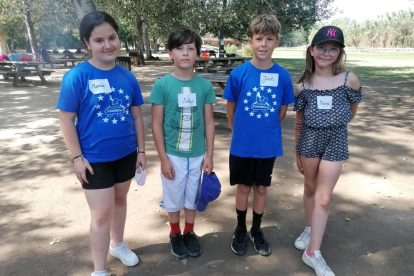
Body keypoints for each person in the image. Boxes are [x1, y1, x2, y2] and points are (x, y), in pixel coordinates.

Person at [57, 12, 146, 276]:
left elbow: (138, 117)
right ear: (87, 43)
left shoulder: (127, 77)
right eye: (99, 40)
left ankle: (117, 244)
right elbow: (66, 121)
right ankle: (99, 270)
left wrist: (141, 151)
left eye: (112, 37)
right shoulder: (77, 76)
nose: (107, 45)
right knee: (100, 214)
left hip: (126, 154)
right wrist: (77, 158)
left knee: (120, 201)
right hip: (93, 159)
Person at [223, 14, 295, 256]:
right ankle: (240, 229)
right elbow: (230, 107)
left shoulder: (282, 75)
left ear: (277, 42)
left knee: (261, 188)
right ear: (250, 42)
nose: (263, 44)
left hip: (268, 145)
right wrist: (240, 131)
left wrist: (267, 128)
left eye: (269, 39)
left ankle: (256, 229)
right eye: (259, 38)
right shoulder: (239, 73)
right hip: (242, 144)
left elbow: (283, 108)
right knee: (243, 187)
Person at [293, 26, 362, 276]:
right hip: (309, 141)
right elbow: (298, 122)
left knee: (324, 197)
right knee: (310, 189)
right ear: (312, 50)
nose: (326, 53)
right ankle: (310, 228)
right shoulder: (302, 86)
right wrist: (297, 151)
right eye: (321, 47)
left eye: (333, 49)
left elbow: (352, 112)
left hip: (336, 140)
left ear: (339, 53)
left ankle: (313, 253)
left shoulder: (348, 79)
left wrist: (333, 122)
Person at [150, 27, 216, 259]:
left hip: (197, 154)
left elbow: (209, 123)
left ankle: (189, 232)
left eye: (191, 48)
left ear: (198, 54)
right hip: (173, 155)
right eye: (180, 48)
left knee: (192, 195)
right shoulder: (162, 85)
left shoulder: (205, 86)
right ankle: (175, 234)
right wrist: (163, 159)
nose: (185, 53)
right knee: (173, 196)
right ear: (170, 53)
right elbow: (156, 125)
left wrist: (209, 155)